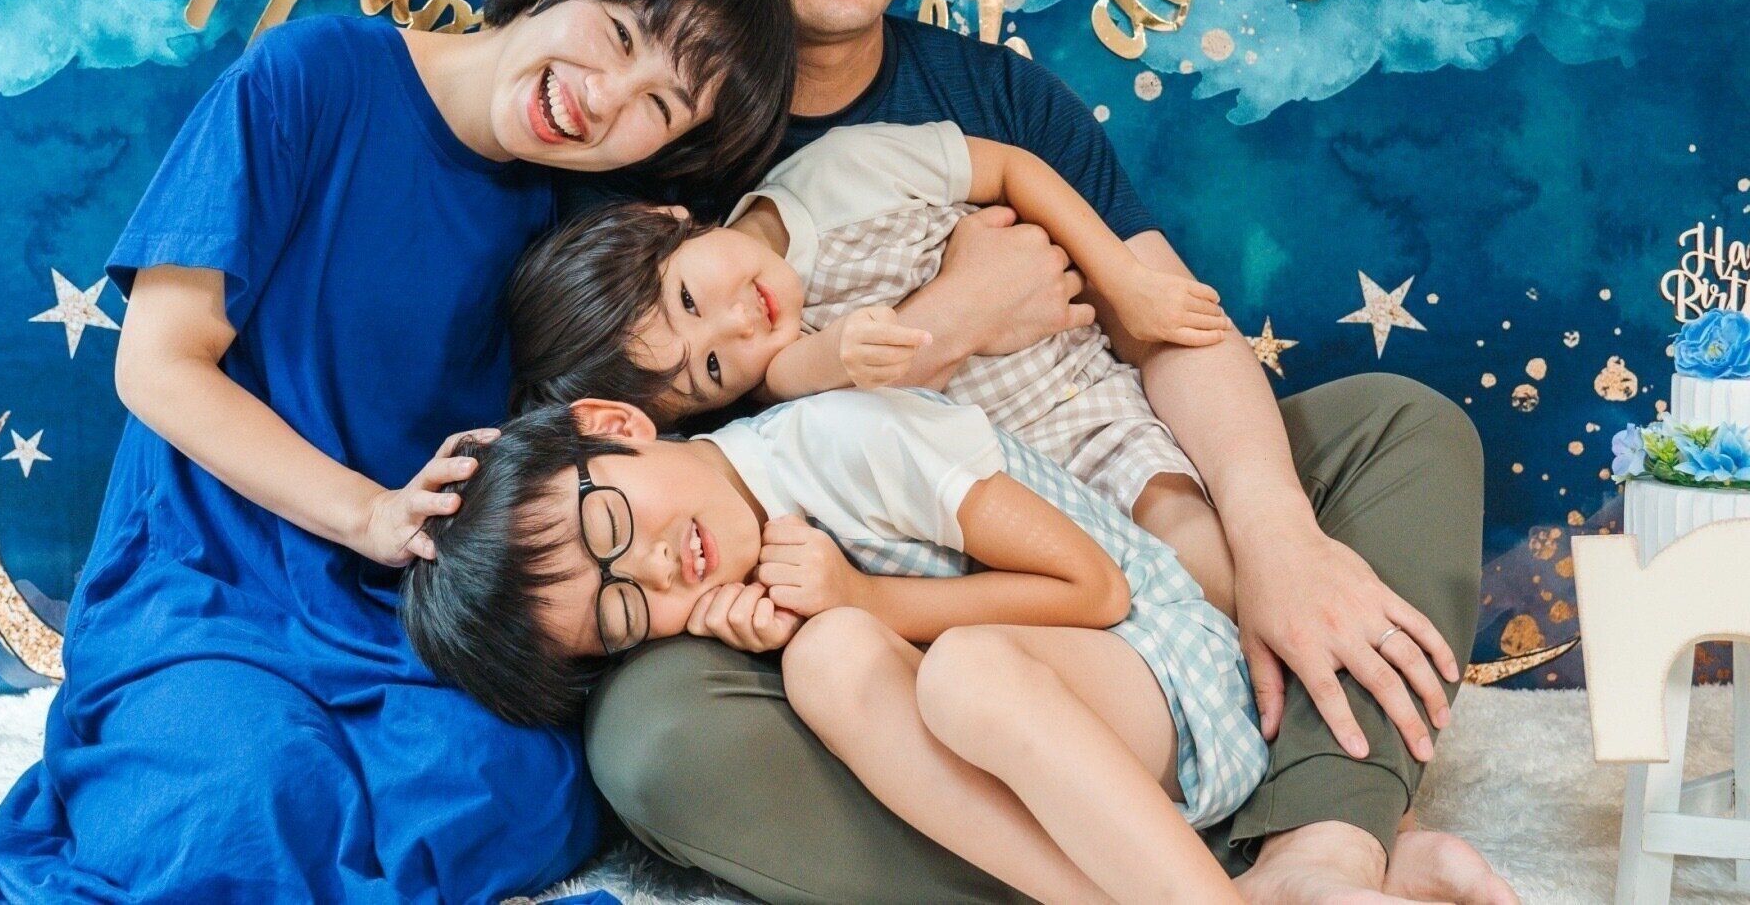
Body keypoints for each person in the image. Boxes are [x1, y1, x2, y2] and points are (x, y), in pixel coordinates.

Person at [569, 0, 1514, 905]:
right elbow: (659, 446)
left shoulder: (988, 96)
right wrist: (952, 322)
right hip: (865, 587)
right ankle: (1177, 868)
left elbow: (1169, 323)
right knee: (658, 738)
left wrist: (1275, 534)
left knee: (1396, 427)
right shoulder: (656, 141)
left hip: (1097, 498)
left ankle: (1317, 845)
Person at [0, 0, 796, 904]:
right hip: (205, 581)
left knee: (518, 786)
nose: (604, 99)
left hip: (398, 614)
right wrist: (367, 514)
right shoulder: (310, 77)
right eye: (620, 37)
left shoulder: (574, 222)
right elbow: (157, 366)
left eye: (659, 108)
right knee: (233, 804)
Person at [403, 388, 1269, 905]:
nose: (655, 568)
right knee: (829, 658)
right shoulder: (733, 583)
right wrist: (804, 628)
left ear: (615, 423)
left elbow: (1097, 590)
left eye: (609, 526)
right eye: (624, 610)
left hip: (1168, 667)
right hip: (1080, 766)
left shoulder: (842, 439)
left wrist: (864, 596)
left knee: (961, 672)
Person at [513, 121, 1234, 603]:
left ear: (660, 220)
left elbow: (1012, 168)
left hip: (1089, 401)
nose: (738, 325)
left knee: (1198, 549)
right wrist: (858, 350)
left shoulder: (839, 173)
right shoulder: (778, 385)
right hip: (1015, 480)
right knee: (1136, 598)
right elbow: (802, 375)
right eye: (711, 370)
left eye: (689, 299)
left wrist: (1126, 282)